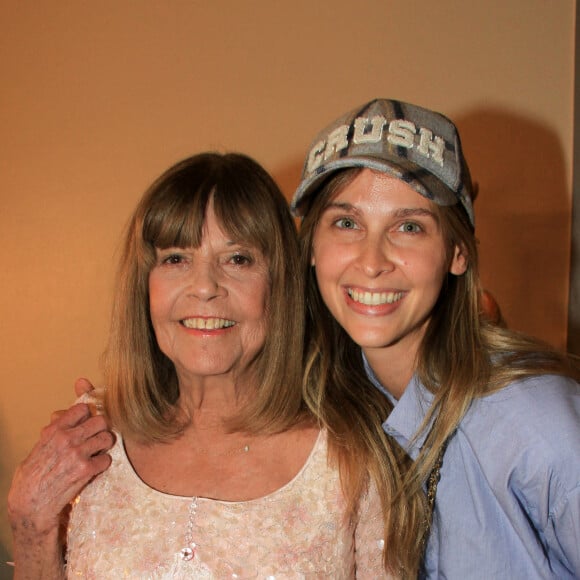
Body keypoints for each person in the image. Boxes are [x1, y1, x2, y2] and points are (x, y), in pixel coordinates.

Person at [8, 152, 389, 578]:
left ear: (279, 285)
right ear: (144, 287)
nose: (205, 287)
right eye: (176, 259)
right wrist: (29, 525)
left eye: (238, 259)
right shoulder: (89, 439)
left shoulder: (353, 459)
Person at [292, 98, 580, 579]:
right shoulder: (320, 405)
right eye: (346, 223)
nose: (372, 260)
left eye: (409, 227)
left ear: (457, 253)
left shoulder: (537, 424)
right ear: (313, 250)